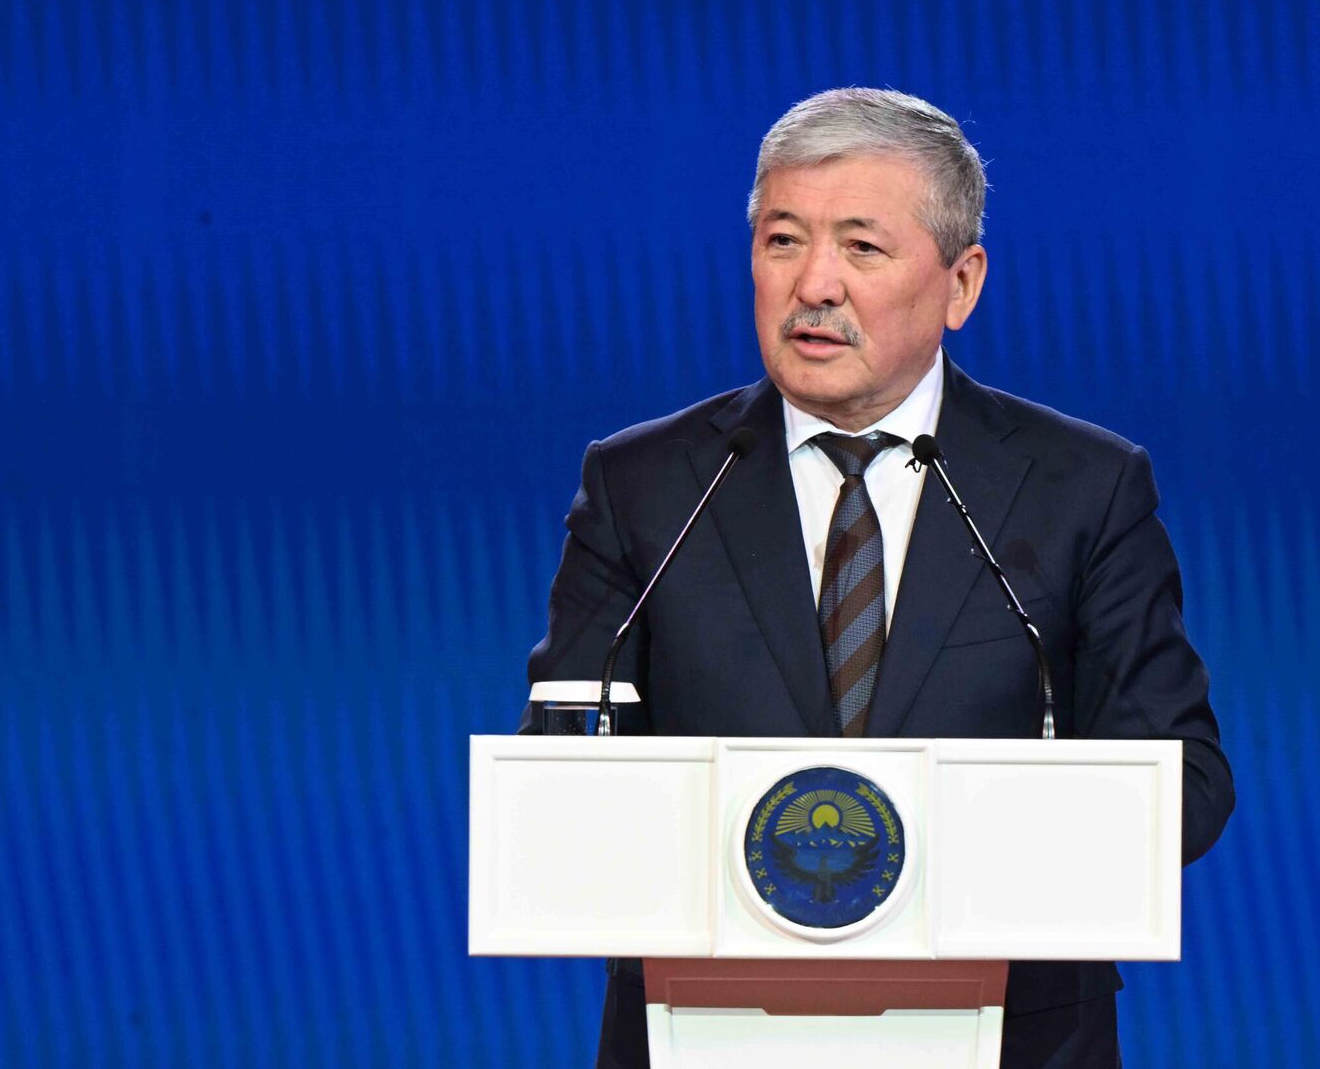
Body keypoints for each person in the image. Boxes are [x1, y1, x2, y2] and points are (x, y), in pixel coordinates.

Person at [523, 87, 1234, 1069]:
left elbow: (1184, 783)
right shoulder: (648, 486)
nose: (814, 284)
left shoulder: (1081, 488)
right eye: (782, 241)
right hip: (705, 1030)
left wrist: (932, 849)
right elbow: (562, 768)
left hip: (1010, 1035)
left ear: (961, 284)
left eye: (861, 248)